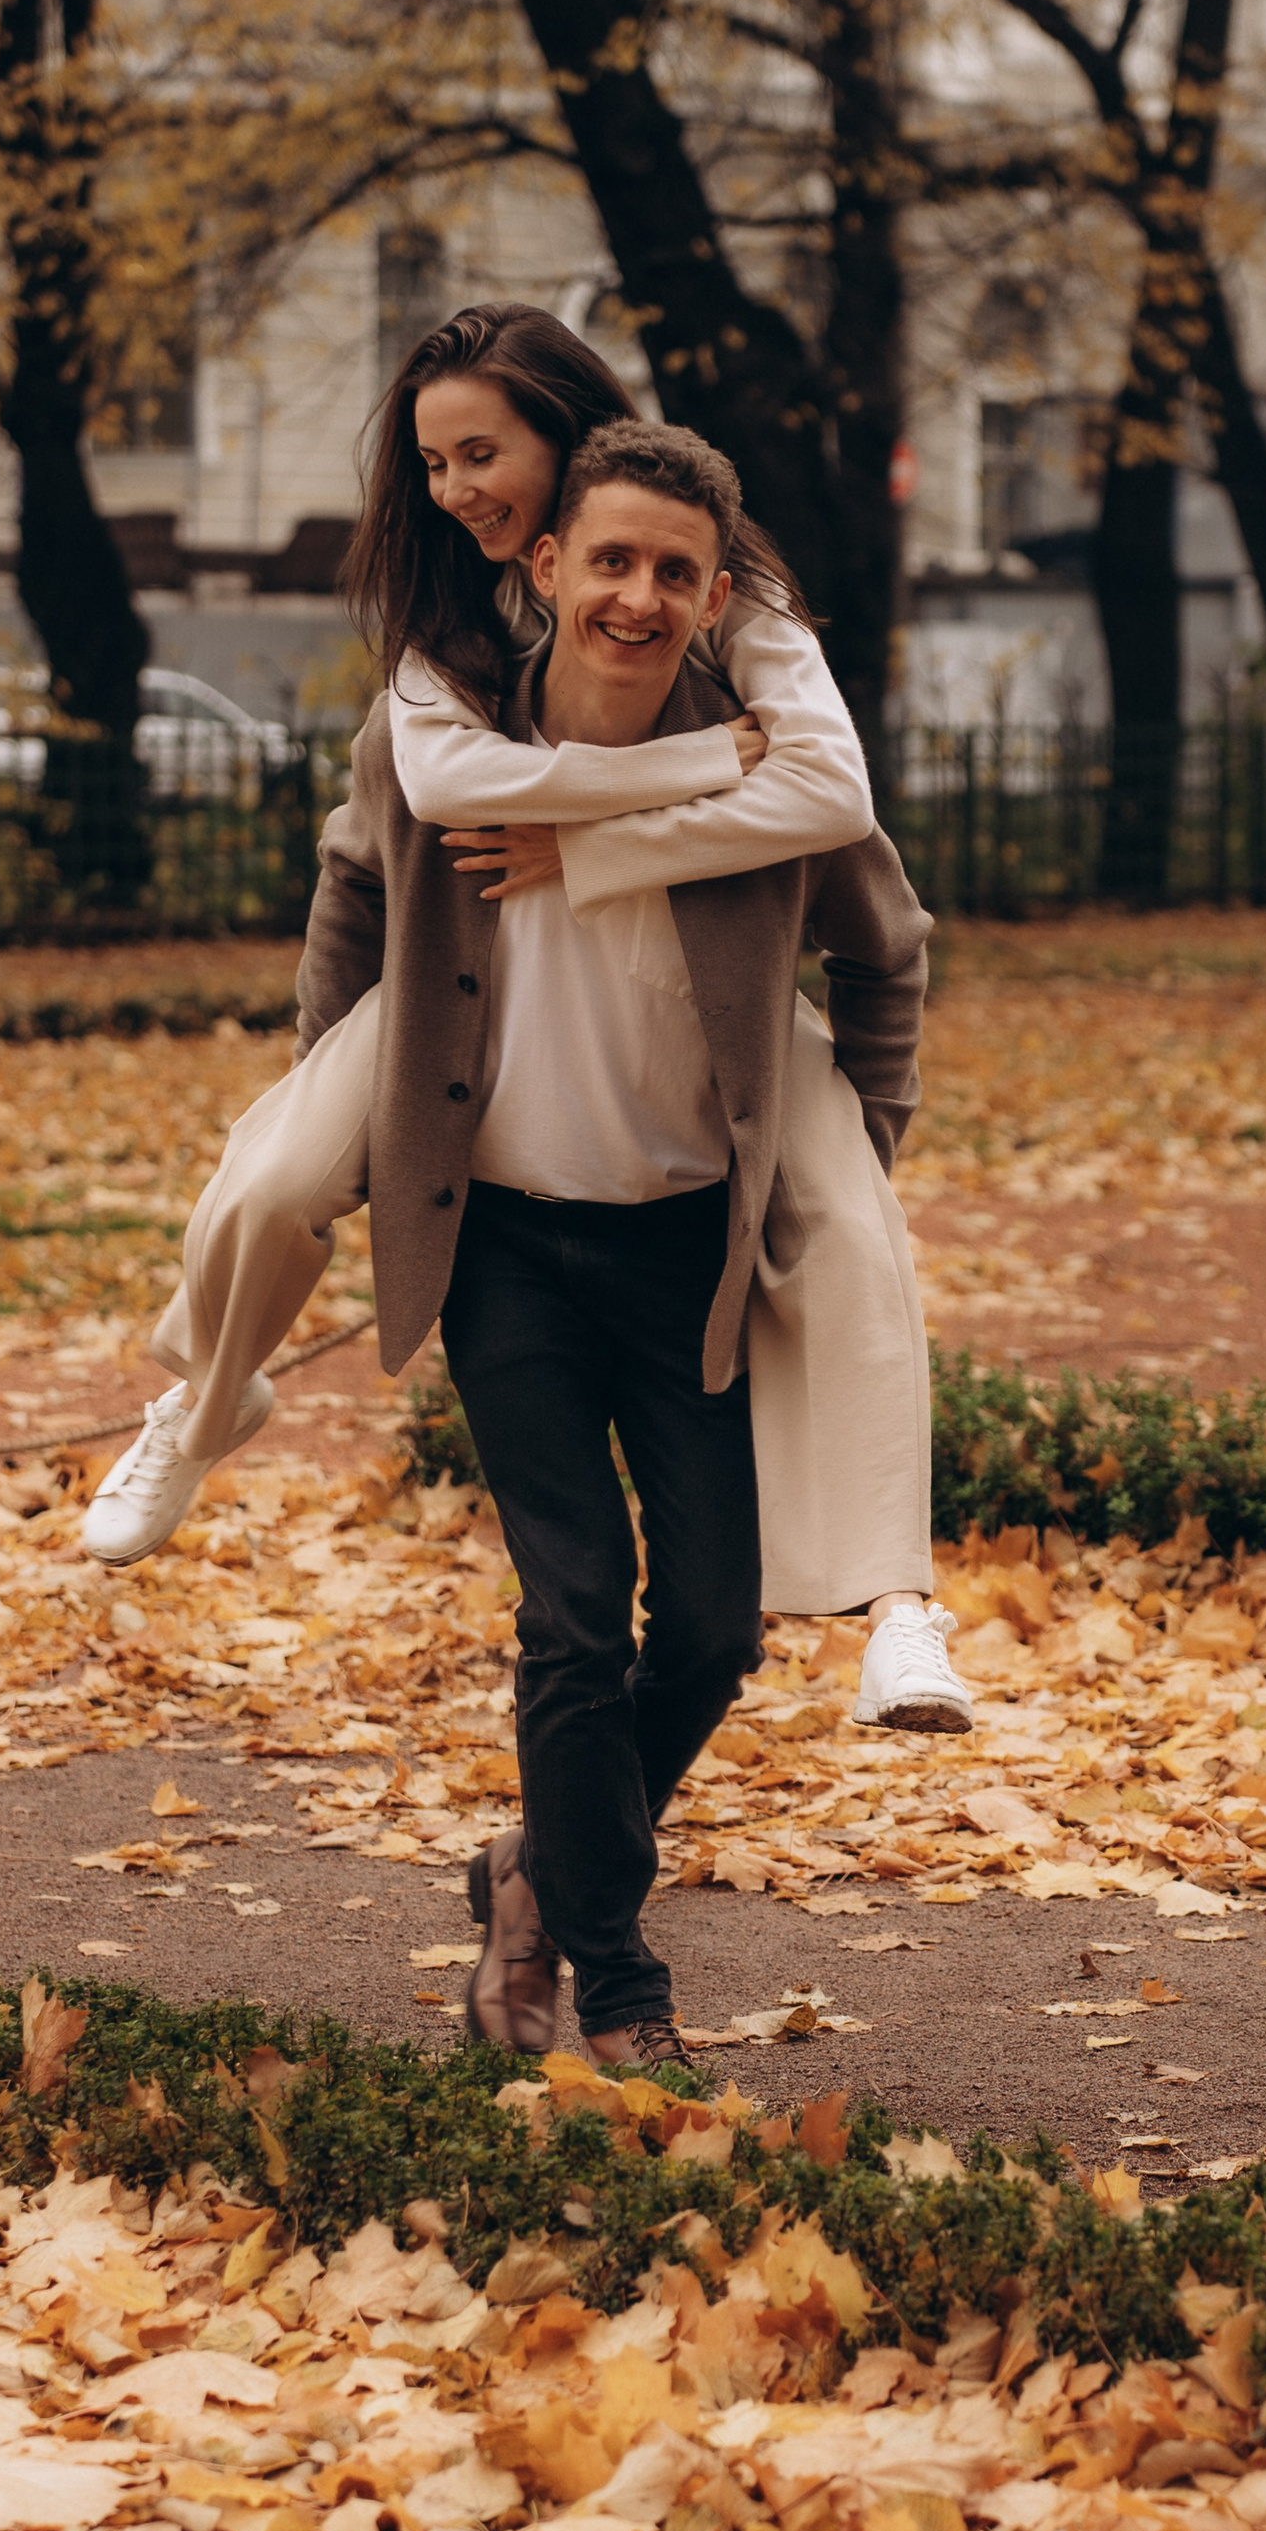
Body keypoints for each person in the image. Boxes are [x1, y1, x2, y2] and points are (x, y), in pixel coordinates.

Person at [81, 301, 968, 1741]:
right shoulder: (448, 638)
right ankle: (203, 1394)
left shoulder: (727, 607)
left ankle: (898, 1605)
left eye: (481, 452)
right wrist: (342, 1072)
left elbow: (837, 811)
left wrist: (602, 849)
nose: (457, 492)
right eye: (434, 466)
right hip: (457, 1003)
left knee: (862, 1247)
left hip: (721, 1040)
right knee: (268, 1174)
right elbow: (416, 819)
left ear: (567, 433)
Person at [292, 418, 933, 2071]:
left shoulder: (766, 771)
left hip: (681, 1258)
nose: (637, 598)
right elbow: (352, 898)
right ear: (546, 566)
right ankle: (618, 1980)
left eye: (672, 572)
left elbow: (890, 947)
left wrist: (860, 1149)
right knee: (574, 1617)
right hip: (503, 1251)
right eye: (611, 562)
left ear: (714, 595)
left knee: (713, 1627)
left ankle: (532, 1874)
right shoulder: (454, 744)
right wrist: (333, 1112)